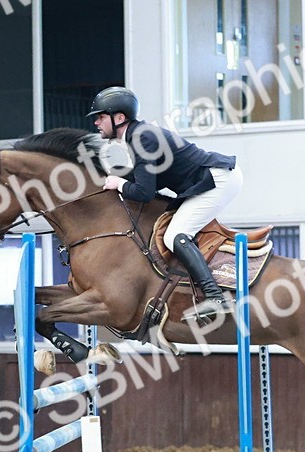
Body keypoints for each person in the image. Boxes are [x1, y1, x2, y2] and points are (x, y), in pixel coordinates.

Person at [87, 86, 240, 321]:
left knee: (174, 235)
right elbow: (143, 180)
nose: (96, 122)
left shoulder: (142, 138)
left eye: (100, 117)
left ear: (119, 118)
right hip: (212, 178)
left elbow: (145, 192)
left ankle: (215, 298)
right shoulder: (139, 135)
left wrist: (118, 183)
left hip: (217, 179)